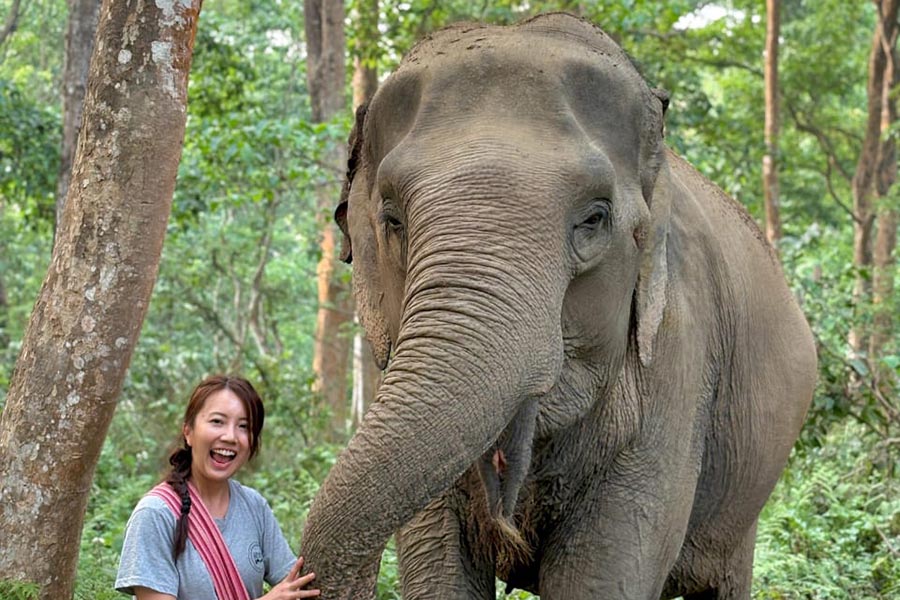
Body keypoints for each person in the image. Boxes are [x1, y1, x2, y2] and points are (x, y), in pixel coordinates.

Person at [115, 375, 320, 599]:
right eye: (217, 422)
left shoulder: (253, 506)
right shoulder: (155, 514)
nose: (231, 436)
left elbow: (295, 585)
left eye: (244, 426)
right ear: (188, 432)